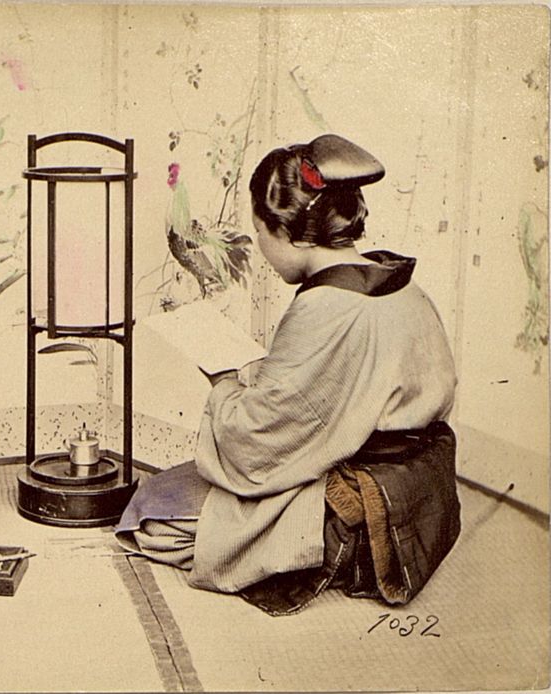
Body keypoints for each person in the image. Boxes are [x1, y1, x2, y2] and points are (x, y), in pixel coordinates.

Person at [116, 135, 460, 615]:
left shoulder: (327, 307)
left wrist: (222, 381)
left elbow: (257, 440)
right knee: (169, 494)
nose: (260, 249)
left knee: (152, 514)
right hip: (420, 492)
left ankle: (328, 555)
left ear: (285, 230)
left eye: (259, 235)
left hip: (352, 502)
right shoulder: (399, 282)